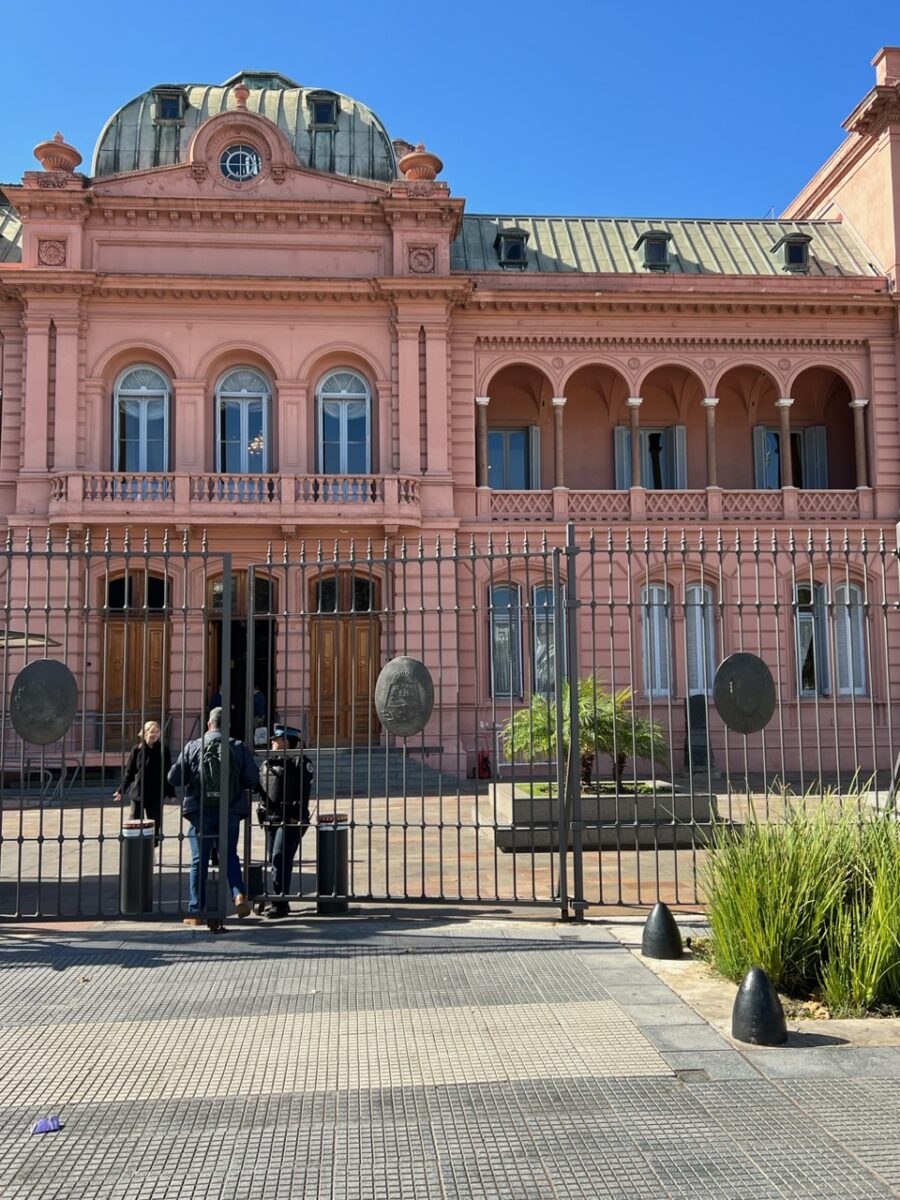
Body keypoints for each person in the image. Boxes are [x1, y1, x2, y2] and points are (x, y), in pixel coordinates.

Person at [168, 706, 260, 926]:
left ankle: (196, 910)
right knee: (229, 854)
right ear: (227, 726)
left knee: (199, 860)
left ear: (208, 725)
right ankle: (239, 895)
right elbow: (252, 779)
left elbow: (174, 777)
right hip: (229, 809)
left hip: (200, 811)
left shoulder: (193, 746)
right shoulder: (237, 746)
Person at [256, 725, 314, 918]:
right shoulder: (268, 762)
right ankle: (279, 899)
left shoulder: (300, 761)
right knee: (275, 859)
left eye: (276, 739)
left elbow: (304, 793)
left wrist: (296, 816)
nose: (272, 742)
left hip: (291, 817)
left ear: (286, 741)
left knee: (280, 856)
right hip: (271, 818)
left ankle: (279, 902)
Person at [113, 720, 175, 846]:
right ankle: (136, 848)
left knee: (155, 823)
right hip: (138, 793)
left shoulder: (164, 750)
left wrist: (171, 793)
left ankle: (152, 849)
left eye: (157, 732)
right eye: (152, 732)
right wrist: (121, 790)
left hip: (156, 793)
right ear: (145, 733)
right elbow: (129, 772)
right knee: (135, 822)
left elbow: (168, 772)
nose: (155, 735)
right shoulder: (137, 750)